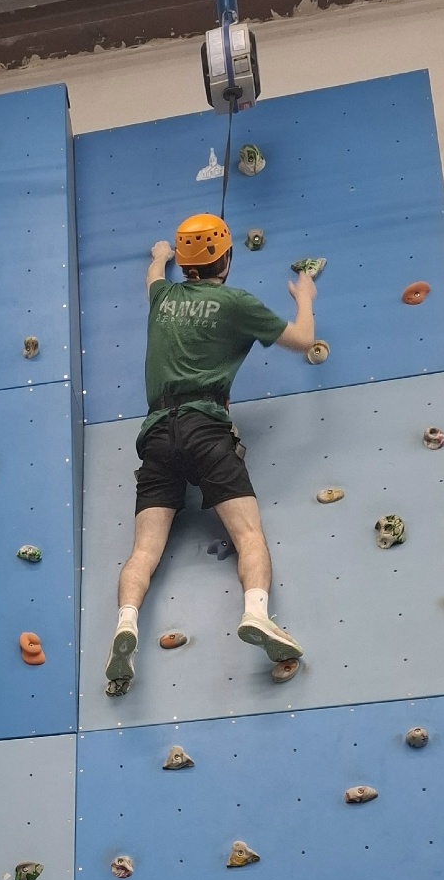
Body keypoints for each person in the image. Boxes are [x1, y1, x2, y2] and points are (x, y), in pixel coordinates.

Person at [105, 212, 319, 694]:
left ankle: (125, 622)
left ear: (184, 264)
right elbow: (303, 339)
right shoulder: (235, 302)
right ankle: (256, 613)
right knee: (248, 536)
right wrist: (305, 298)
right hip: (206, 429)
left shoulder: (162, 298)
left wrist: (159, 255)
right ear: (227, 259)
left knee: (144, 551)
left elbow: (152, 277)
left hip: (157, 434)